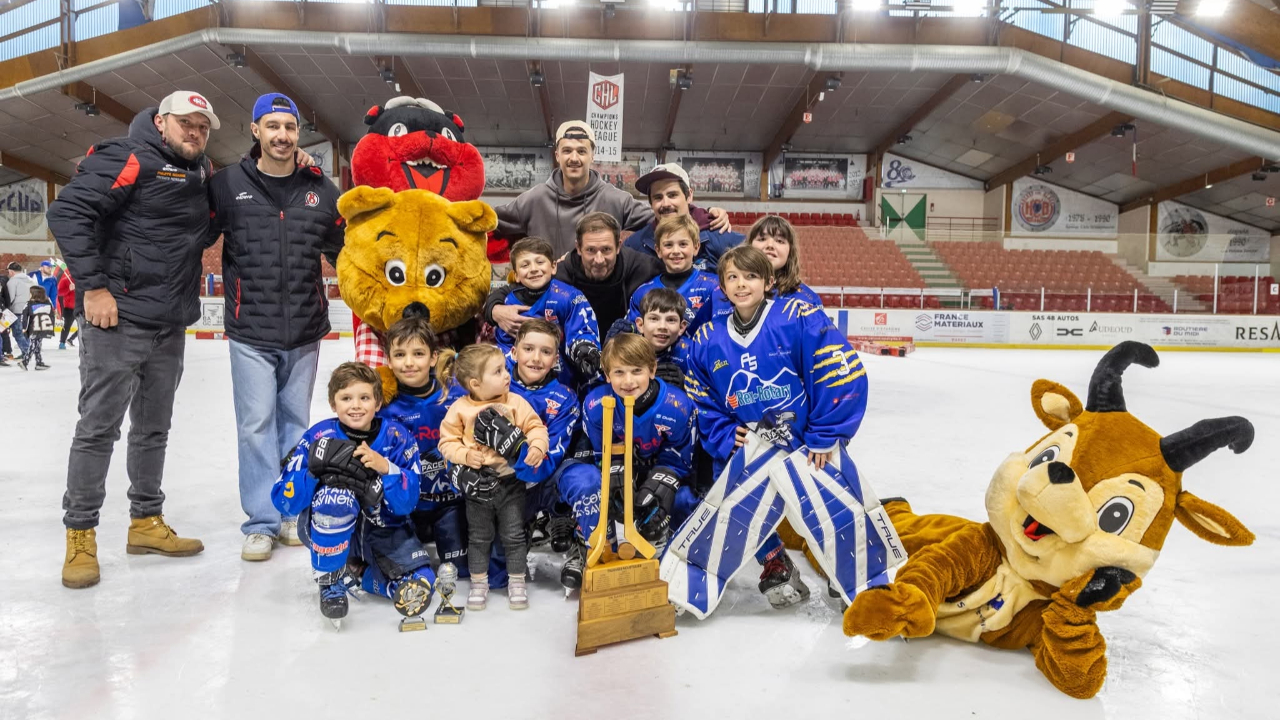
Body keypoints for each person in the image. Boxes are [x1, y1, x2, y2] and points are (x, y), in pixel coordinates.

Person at [48, 90, 220, 589]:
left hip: (169, 323)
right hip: (116, 321)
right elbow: (67, 214)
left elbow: (197, 235)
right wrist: (95, 288)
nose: (195, 132)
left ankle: (145, 522)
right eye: (186, 123)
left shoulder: (201, 172)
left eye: (203, 127)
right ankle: (80, 534)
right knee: (99, 428)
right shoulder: (126, 156)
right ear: (162, 122)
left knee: (153, 429)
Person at [684, 245, 868, 609]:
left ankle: (852, 575)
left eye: (750, 276)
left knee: (831, 507)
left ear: (769, 281)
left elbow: (841, 371)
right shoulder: (706, 339)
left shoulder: (797, 316)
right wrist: (722, 433)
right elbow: (701, 396)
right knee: (737, 509)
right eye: (732, 277)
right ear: (721, 286)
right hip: (752, 444)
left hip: (807, 442)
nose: (741, 284)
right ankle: (774, 563)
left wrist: (825, 435)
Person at [208, 92, 345, 563]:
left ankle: (293, 512)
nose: (282, 136)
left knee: (296, 426)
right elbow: (192, 235)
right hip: (250, 330)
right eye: (273, 126)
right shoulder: (227, 185)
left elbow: (344, 251)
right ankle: (262, 521)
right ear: (255, 131)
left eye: (289, 127)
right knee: (255, 426)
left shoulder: (321, 189)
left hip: (306, 329)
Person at [271, 362, 434, 625]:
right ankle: (330, 580)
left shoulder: (397, 437)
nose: (356, 406)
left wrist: (386, 468)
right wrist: (311, 474)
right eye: (346, 398)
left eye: (364, 398)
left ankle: (363, 575)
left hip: (384, 529)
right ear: (333, 404)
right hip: (327, 527)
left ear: (378, 402)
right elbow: (283, 501)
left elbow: (408, 503)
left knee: (425, 580)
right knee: (336, 499)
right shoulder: (318, 437)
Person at [554, 333, 696, 589]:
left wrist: (661, 482)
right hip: (620, 462)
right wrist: (615, 472)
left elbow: (680, 457)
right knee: (597, 487)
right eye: (618, 372)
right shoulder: (597, 404)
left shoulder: (678, 406)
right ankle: (592, 542)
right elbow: (599, 453)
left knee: (676, 499)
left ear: (652, 370)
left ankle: (666, 548)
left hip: (654, 465)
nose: (628, 381)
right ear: (607, 375)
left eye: (636, 371)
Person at [379, 317, 503, 583]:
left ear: (434, 358)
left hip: (449, 504)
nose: (409, 362)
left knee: (462, 572)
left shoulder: (457, 394)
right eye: (400, 355)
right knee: (399, 568)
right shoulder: (383, 405)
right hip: (405, 507)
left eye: (418, 354)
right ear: (388, 360)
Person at [494, 121, 731, 257]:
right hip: (547, 297)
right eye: (567, 151)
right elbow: (489, 222)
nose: (574, 158)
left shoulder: (615, 199)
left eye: (581, 151)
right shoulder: (532, 199)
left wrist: (708, 213)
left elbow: (665, 214)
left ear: (592, 155)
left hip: (597, 296)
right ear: (557, 155)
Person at [437, 344, 550, 611]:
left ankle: (517, 581)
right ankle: (479, 583)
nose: (506, 375)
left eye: (505, 368)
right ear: (475, 383)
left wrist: (536, 446)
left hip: (510, 484)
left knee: (513, 535)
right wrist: (464, 455)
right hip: (477, 488)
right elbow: (446, 443)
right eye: (497, 371)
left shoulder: (514, 402)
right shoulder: (460, 409)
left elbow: (536, 427)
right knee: (479, 536)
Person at [490, 212, 660, 343]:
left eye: (606, 250)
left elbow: (679, 274)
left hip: (624, 355)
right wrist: (494, 310)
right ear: (578, 248)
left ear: (618, 247)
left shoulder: (641, 266)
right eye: (590, 250)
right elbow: (512, 289)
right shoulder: (562, 273)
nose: (599, 259)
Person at [505, 320, 587, 556]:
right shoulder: (494, 383)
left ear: (555, 359)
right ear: (514, 351)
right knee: (497, 566)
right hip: (499, 486)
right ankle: (525, 522)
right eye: (528, 349)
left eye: (546, 352)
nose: (536, 358)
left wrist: (514, 450)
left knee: (584, 478)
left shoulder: (565, 398)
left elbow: (548, 460)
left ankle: (562, 519)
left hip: (542, 477)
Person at [489, 236, 602, 388]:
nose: (534, 269)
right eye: (525, 265)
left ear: (553, 266)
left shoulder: (569, 297)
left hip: (562, 375)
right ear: (515, 275)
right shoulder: (508, 303)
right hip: (517, 376)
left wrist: (583, 350)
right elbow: (504, 344)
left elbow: (581, 329)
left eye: (540, 262)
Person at [695, 214, 823, 327]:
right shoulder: (721, 292)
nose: (770, 245)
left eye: (780, 241)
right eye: (762, 239)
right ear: (749, 245)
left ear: (790, 251)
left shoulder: (807, 299)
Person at [624, 163, 743, 272]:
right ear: (650, 202)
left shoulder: (718, 236)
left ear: (689, 196)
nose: (665, 204)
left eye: (672, 195)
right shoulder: (634, 246)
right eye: (658, 197)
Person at [624, 214, 719, 331]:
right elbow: (634, 341)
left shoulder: (714, 287)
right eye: (668, 245)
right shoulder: (643, 293)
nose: (676, 251)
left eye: (683, 244)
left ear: (696, 247)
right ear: (658, 250)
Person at [631, 287, 693, 389]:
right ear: (640, 325)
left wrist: (687, 385)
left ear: (681, 327)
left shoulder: (692, 354)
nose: (662, 326)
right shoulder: (627, 351)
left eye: (671, 320)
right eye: (654, 319)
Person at [18, 285, 54, 370]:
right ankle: (33, 362)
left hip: (34, 328)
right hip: (42, 328)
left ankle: (31, 362)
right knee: (36, 345)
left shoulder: (29, 303)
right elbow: (52, 315)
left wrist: (24, 327)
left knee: (35, 345)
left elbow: (24, 316)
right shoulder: (47, 303)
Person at [4, 262, 35, 361]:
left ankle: (26, 352)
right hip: (31, 309)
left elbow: (10, 298)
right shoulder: (30, 280)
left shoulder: (12, 282)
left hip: (17, 310)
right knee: (26, 332)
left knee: (18, 333)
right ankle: (27, 351)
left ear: (11, 272)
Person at [57, 269, 78, 349]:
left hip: (80, 307)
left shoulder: (82, 280)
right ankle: (62, 342)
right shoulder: (65, 280)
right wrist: (69, 289)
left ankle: (71, 339)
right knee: (67, 326)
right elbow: (59, 292)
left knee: (84, 326)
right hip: (69, 308)